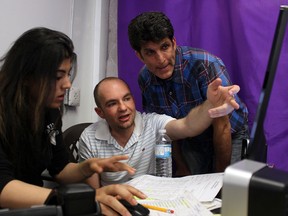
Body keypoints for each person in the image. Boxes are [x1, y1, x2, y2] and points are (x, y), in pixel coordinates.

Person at [0, 27, 147, 216]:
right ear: (27, 76)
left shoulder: (49, 112)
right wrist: (77, 200)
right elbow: (3, 187)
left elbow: (60, 169)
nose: (68, 84)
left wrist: (86, 168)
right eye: (57, 76)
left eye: (68, 74)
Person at [127, 11, 249, 175]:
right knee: (190, 189)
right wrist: (182, 168)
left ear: (174, 43)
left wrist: (220, 179)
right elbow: (165, 128)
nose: (161, 59)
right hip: (190, 139)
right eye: (150, 52)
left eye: (165, 47)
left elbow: (223, 126)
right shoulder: (145, 79)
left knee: (228, 190)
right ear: (139, 56)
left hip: (230, 133)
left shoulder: (205, 64)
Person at [78, 76, 240, 188]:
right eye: (112, 103)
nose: (123, 108)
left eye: (127, 98)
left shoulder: (153, 123)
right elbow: (94, 195)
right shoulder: (89, 137)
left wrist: (210, 104)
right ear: (100, 112)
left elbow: (189, 125)